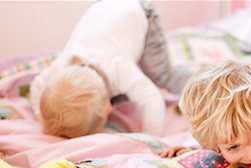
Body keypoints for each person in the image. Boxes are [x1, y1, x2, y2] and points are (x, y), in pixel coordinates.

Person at [30, 0, 192, 138]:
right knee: (128, 88)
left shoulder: (117, 67)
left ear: (108, 107)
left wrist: (149, 140)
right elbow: (37, 85)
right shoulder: (60, 68)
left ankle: (199, 85)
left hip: (139, 12)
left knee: (161, 75)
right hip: (105, 8)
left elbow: (153, 100)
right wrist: (40, 115)